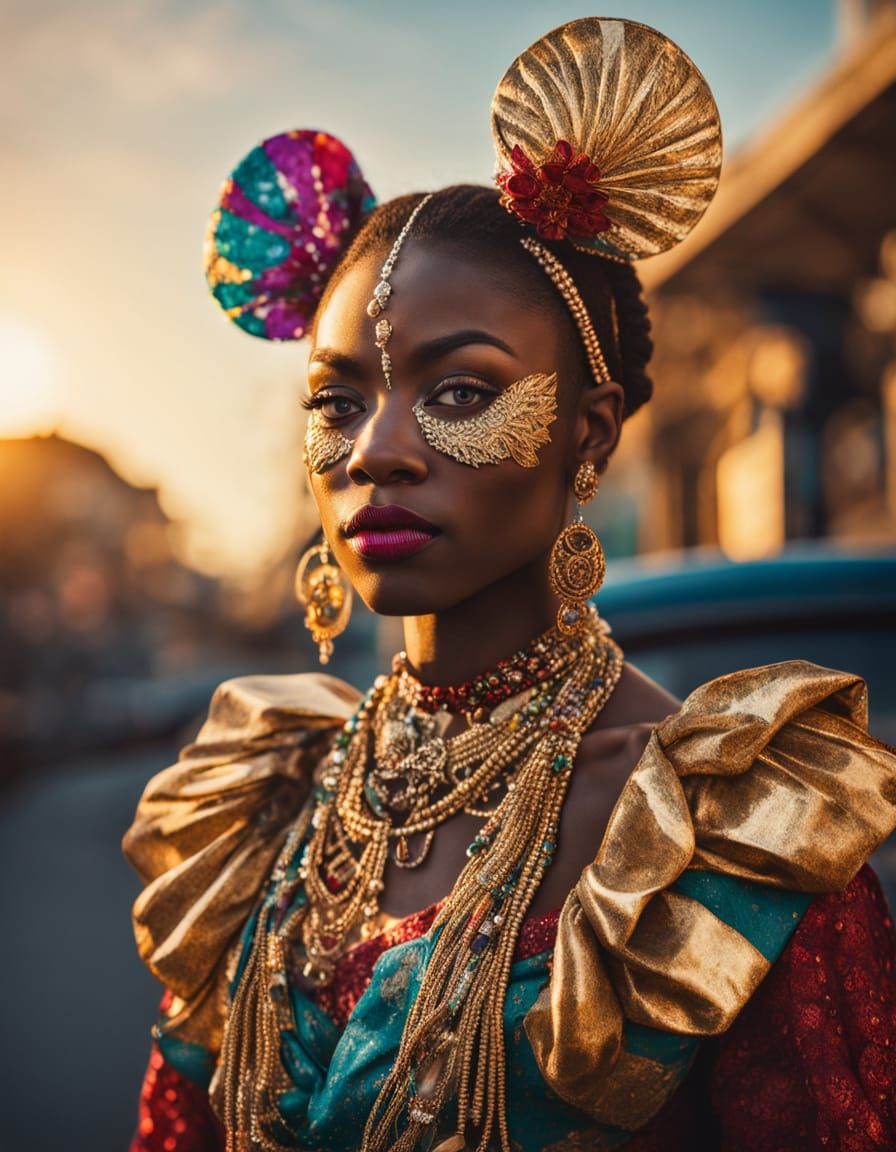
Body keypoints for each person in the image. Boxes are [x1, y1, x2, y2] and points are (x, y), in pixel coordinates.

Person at [123, 17, 896, 1152]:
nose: (372, 450)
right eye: (336, 402)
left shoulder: (725, 841)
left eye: (459, 392)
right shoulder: (265, 801)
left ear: (586, 437)